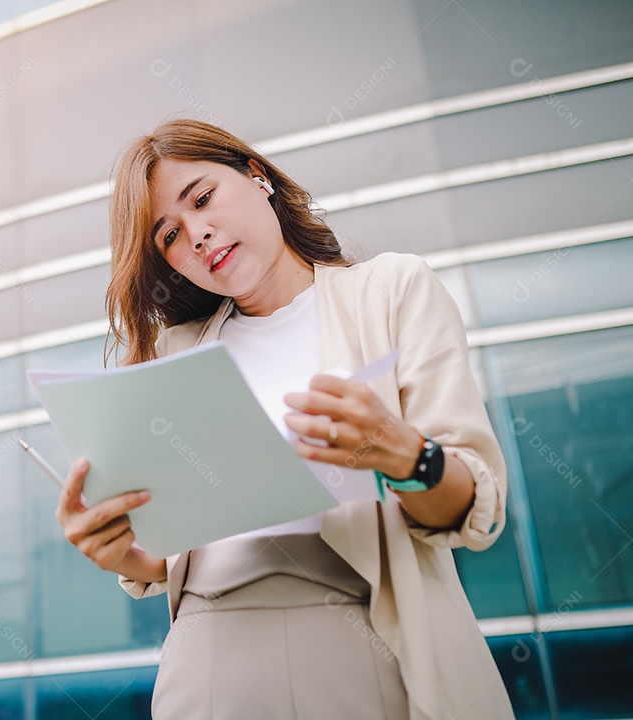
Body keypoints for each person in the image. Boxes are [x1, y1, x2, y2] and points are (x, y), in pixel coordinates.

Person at [54, 119, 515, 719]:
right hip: (208, 648)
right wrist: (119, 553)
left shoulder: (392, 290)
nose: (197, 234)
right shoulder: (179, 352)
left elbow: (470, 509)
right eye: (170, 235)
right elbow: (177, 554)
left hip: (364, 626)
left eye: (202, 199)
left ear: (258, 177)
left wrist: (406, 455)